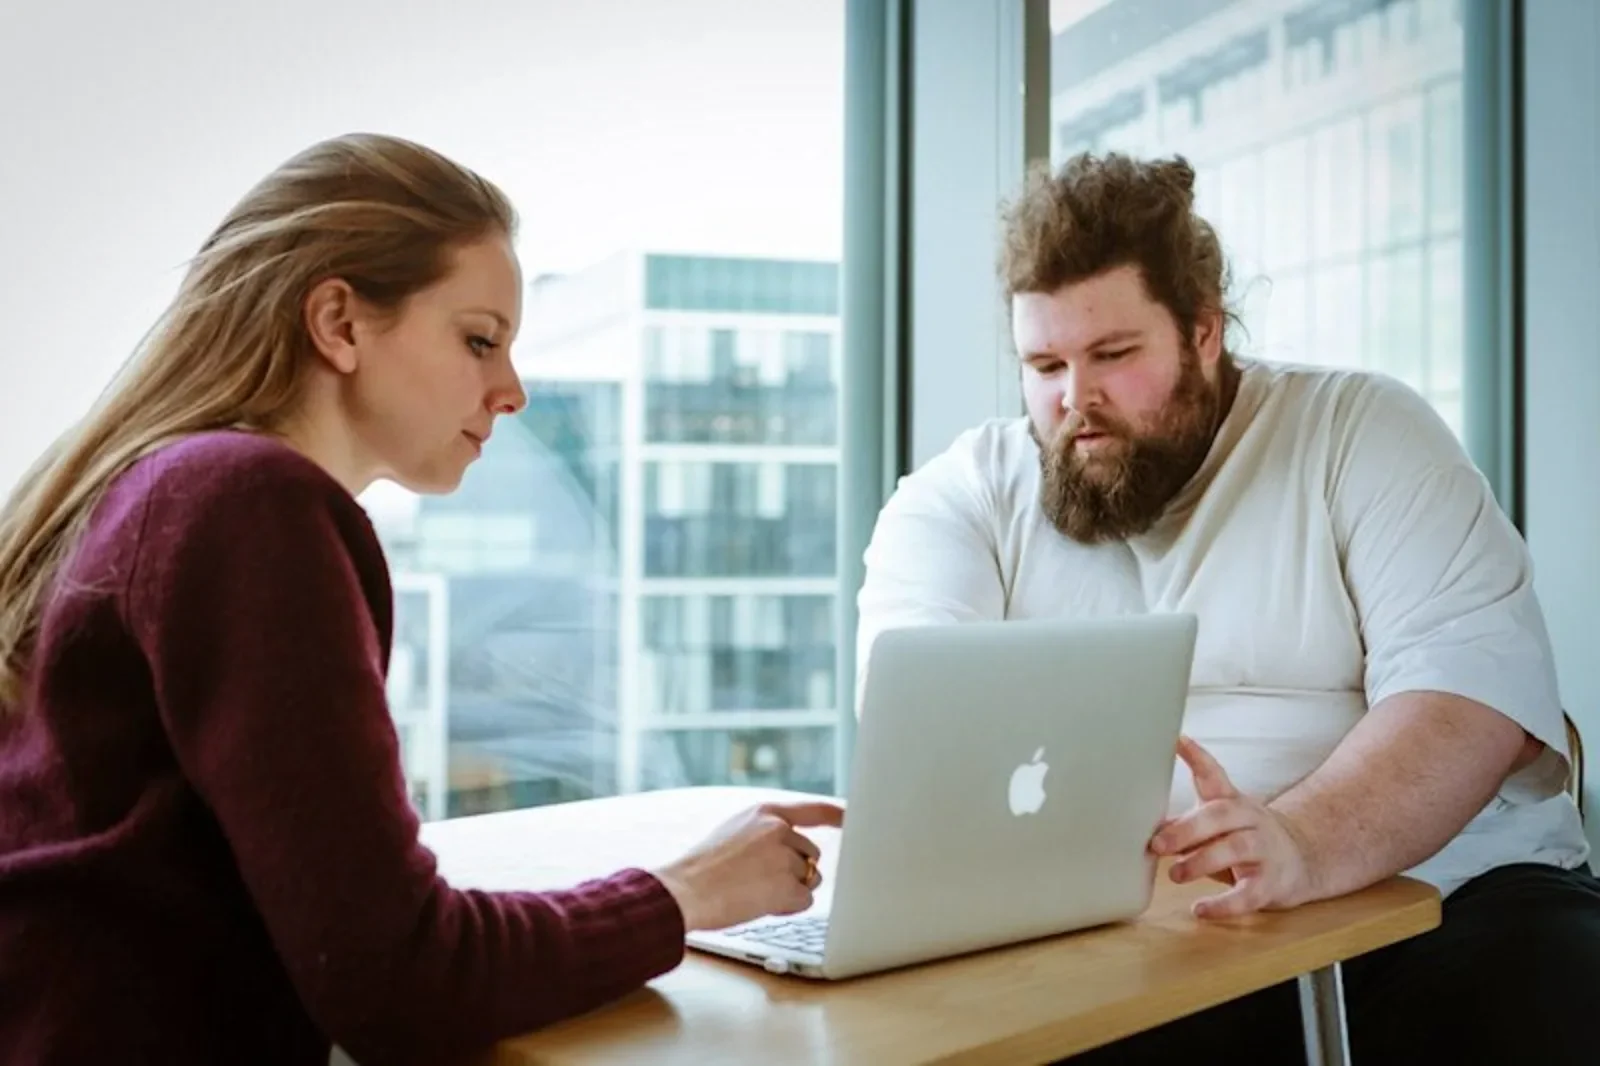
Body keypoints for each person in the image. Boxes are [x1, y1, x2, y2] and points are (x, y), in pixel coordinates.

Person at [0, 133, 842, 1066]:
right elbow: (402, 979)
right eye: (479, 340)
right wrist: (685, 895)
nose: (512, 390)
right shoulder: (246, 502)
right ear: (341, 324)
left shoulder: (165, 489)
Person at [855, 152, 1600, 1064]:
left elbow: (1467, 699)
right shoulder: (960, 498)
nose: (1073, 399)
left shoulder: (1359, 433)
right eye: (1044, 363)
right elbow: (918, 741)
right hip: (1149, 943)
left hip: (1445, 900)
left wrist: (1301, 840)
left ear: (1204, 332)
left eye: (1114, 356)